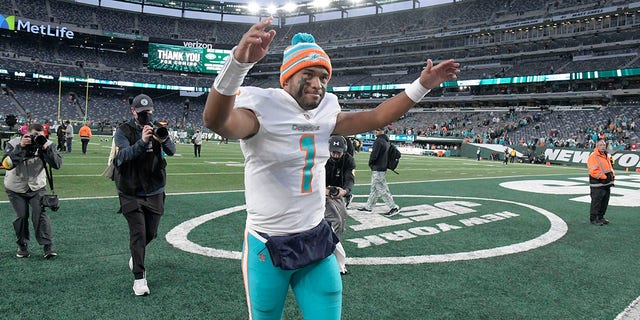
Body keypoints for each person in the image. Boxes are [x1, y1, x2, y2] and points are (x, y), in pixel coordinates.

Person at [202, 17, 458, 319]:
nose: (317, 84)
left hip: (315, 238)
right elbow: (216, 121)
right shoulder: (263, 107)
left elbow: (376, 117)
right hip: (267, 242)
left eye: (324, 77)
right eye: (308, 74)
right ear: (286, 78)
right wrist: (238, 65)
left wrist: (422, 86)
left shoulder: (327, 109)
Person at [113, 94, 176, 296]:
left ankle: (136, 253)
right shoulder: (123, 131)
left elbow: (172, 151)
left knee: (152, 232)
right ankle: (139, 278)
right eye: (141, 113)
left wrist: (163, 138)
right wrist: (142, 141)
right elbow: (122, 157)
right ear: (133, 111)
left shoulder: (158, 127)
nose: (145, 116)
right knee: (138, 233)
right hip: (130, 190)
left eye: (148, 112)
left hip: (154, 188)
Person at [2, 123, 63, 258]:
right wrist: (21, 147)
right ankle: (22, 245)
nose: (37, 138)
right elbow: (7, 165)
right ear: (26, 134)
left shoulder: (47, 144)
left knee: (40, 215)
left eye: (41, 136)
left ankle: (48, 247)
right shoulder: (13, 143)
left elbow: (57, 164)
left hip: (37, 186)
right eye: (34, 135)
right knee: (21, 216)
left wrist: (47, 149)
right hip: (15, 187)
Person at [325, 135, 356, 275]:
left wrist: (344, 191)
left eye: (338, 152)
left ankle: (331, 251)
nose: (335, 154)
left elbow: (350, 178)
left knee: (342, 221)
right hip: (319, 193)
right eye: (333, 151)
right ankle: (331, 259)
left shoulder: (349, 160)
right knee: (335, 221)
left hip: (339, 193)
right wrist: (323, 189)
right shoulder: (322, 158)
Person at [358, 128, 400, 216]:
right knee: (374, 189)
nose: (375, 131)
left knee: (381, 189)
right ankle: (368, 207)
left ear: (382, 130)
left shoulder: (378, 141)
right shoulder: (386, 141)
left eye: (377, 130)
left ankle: (393, 207)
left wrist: (371, 163)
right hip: (382, 167)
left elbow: (374, 155)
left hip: (378, 168)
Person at [587, 139, 615, 226]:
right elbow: (593, 171)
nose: (603, 146)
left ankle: (600, 217)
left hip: (606, 183)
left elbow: (610, 168)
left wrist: (612, 176)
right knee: (596, 202)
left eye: (604, 145)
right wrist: (604, 177)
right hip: (597, 184)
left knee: (604, 202)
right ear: (597, 146)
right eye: (601, 145)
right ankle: (594, 219)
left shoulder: (606, 155)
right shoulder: (593, 156)